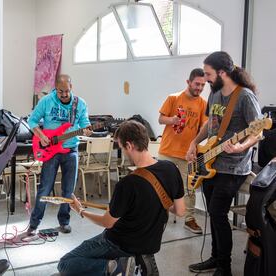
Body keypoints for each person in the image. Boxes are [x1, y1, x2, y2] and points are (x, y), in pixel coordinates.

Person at [57, 121, 185, 275]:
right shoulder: (171, 169)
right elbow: (180, 211)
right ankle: (131, 260)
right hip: (148, 244)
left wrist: (81, 210)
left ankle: (116, 267)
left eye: (122, 147)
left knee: (65, 263)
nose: (123, 151)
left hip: (119, 242)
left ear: (129, 145)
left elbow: (107, 222)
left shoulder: (128, 183)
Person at [187, 51, 262, 276]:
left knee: (218, 213)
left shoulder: (245, 97)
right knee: (213, 212)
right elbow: (210, 124)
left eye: (209, 74)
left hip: (234, 166)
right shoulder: (216, 93)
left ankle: (224, 267)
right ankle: (214, 257)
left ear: (222, 72)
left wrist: (240, 147)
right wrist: (194, 143)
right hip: (210, 161)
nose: (206, 78)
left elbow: (257, 132)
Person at [27, 74, 92, 234]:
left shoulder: (80, 103)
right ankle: (34, 225)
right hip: (51, 151)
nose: (63, 94)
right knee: (45, 189)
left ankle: (64, 221)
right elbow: (32, 120)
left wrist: (89, 129)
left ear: (72, 87)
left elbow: (85, 124)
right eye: (60, 91)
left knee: (68, 190)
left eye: (66, 91)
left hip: (71, 150)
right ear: (55, 88)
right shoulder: (47, 101)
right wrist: (41, 136)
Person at [158, 68, 208, 234]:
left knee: (189, 188)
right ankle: (158, 216)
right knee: (162, 186)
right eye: (197, 84)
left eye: (203, 85)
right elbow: (160, 119)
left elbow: (204, 128)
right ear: (188, 82)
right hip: (167, 151)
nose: (199, 88)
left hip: (188, 154)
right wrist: (172, 119)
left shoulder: (203, 104)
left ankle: (189, 219)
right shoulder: (173, 98)